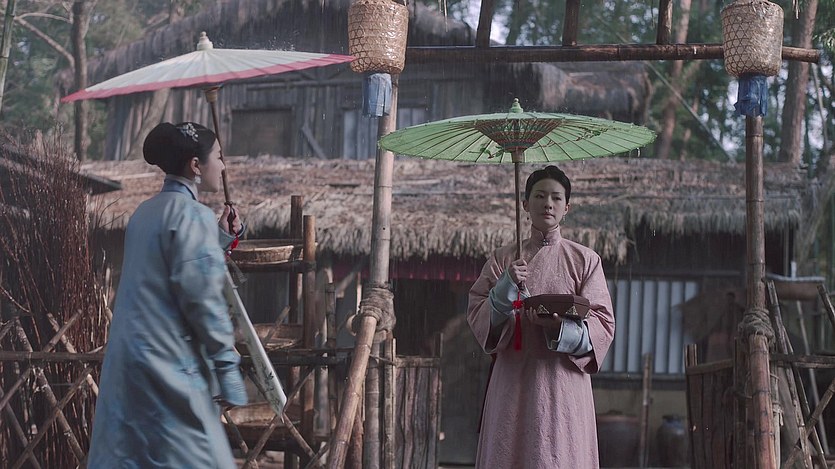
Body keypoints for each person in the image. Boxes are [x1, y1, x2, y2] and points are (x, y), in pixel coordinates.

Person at [87, 122, 247, 468]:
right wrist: (228, 368)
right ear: (196, 165)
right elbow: (204, 301)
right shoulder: (193, 216)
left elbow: (171, 267)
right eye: (219, 157)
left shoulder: (144, 214)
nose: (223, 166)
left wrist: (219, 236)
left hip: (129, 365)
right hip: (168, 366)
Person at [467, 165, 615, 468]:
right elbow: (479, 317)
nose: (548, 203)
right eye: (539, 196)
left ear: (566, 207)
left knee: (558, 454)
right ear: (525, 204)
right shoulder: (502, 259)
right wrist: (506, 285)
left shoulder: (585, 260)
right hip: (513, 379)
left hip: (563, 383)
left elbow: (603, 325)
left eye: (556, 198)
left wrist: (559, 328)